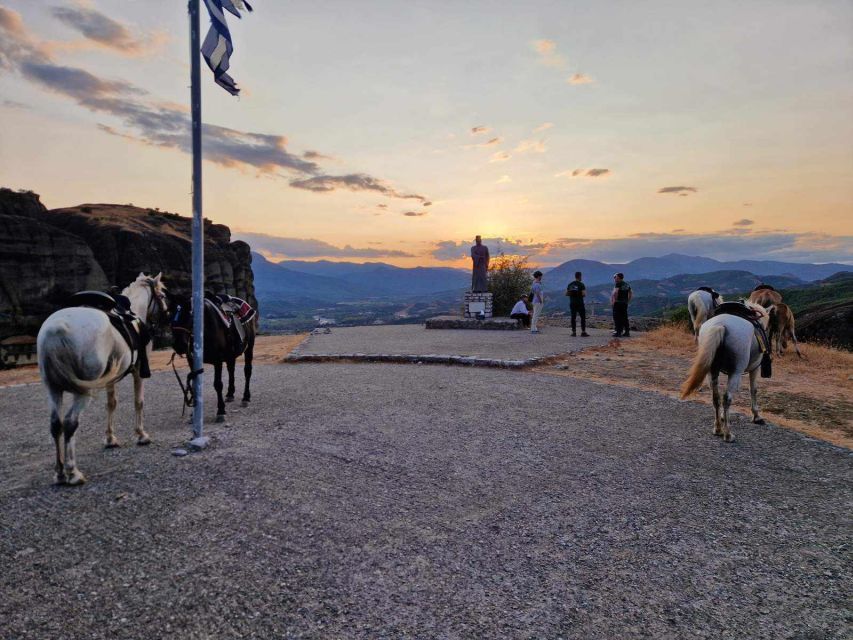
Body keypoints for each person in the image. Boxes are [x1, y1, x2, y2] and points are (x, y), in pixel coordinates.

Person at [565, 271, 588, 337]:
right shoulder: (581, 284)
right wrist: (580, 294)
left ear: (575, 276)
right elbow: (583, 294)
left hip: (572, 303)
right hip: (580, 303)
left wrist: (572, 294)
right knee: (582, 317)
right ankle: (583, 332)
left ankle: (574, 332)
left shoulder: (570, 284)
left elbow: (566, 294)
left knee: (573, 317)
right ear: (580, 276)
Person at [611, 272, 632, 337]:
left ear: (619, 278)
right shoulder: (627, 284)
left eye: (616, 277)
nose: (615, 279)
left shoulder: (618, 284)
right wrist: (628, 300)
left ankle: (618, 332)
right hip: (624, 303)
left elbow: (616, 292)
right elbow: (630, 293)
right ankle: (627, 332)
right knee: (625, 317)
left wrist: (615, 299)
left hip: (618, 303)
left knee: (617, 317)